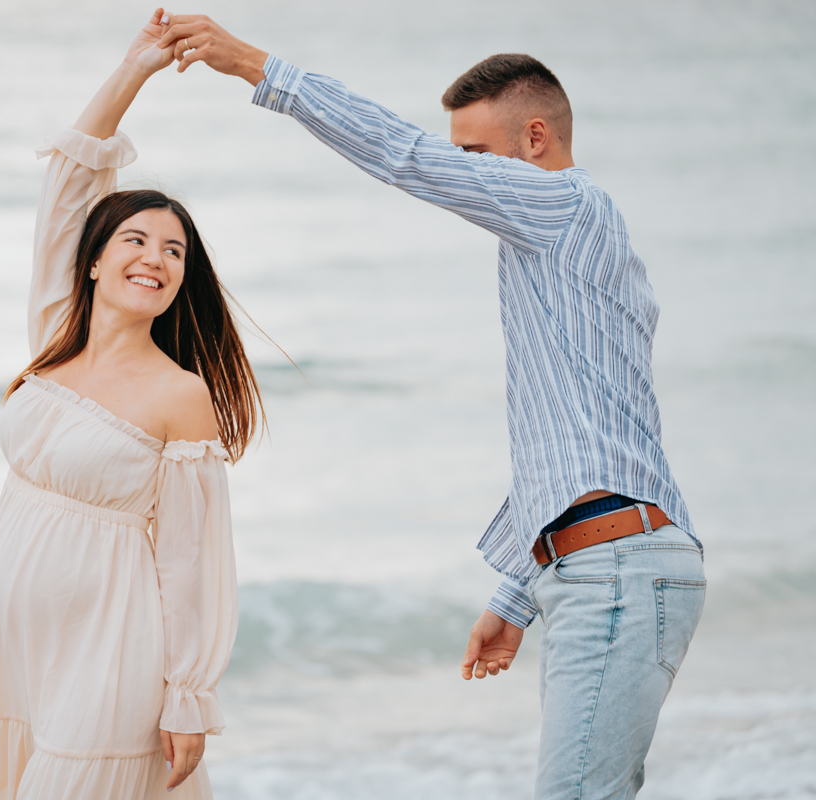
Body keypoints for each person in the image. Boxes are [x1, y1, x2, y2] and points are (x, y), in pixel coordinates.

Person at [155, 13, 706, 800]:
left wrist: (256, 66)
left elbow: (404, 158)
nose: (465, 175)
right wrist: (516, 592)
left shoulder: (565, 209)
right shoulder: (559, 255)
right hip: (605, 566)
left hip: (616, 573)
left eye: (477, 157)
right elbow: (584, 441)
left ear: (537, 138)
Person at [0, 10, 261, 799]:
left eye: (174, 251)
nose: (155, 258)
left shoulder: (180, 396)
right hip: (22, 650)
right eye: (135, 239)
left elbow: (193, 563)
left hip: (112, 653)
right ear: (94, 259)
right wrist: (135, 66)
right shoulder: (53, 338)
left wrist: (188, 695)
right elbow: (70, 174)